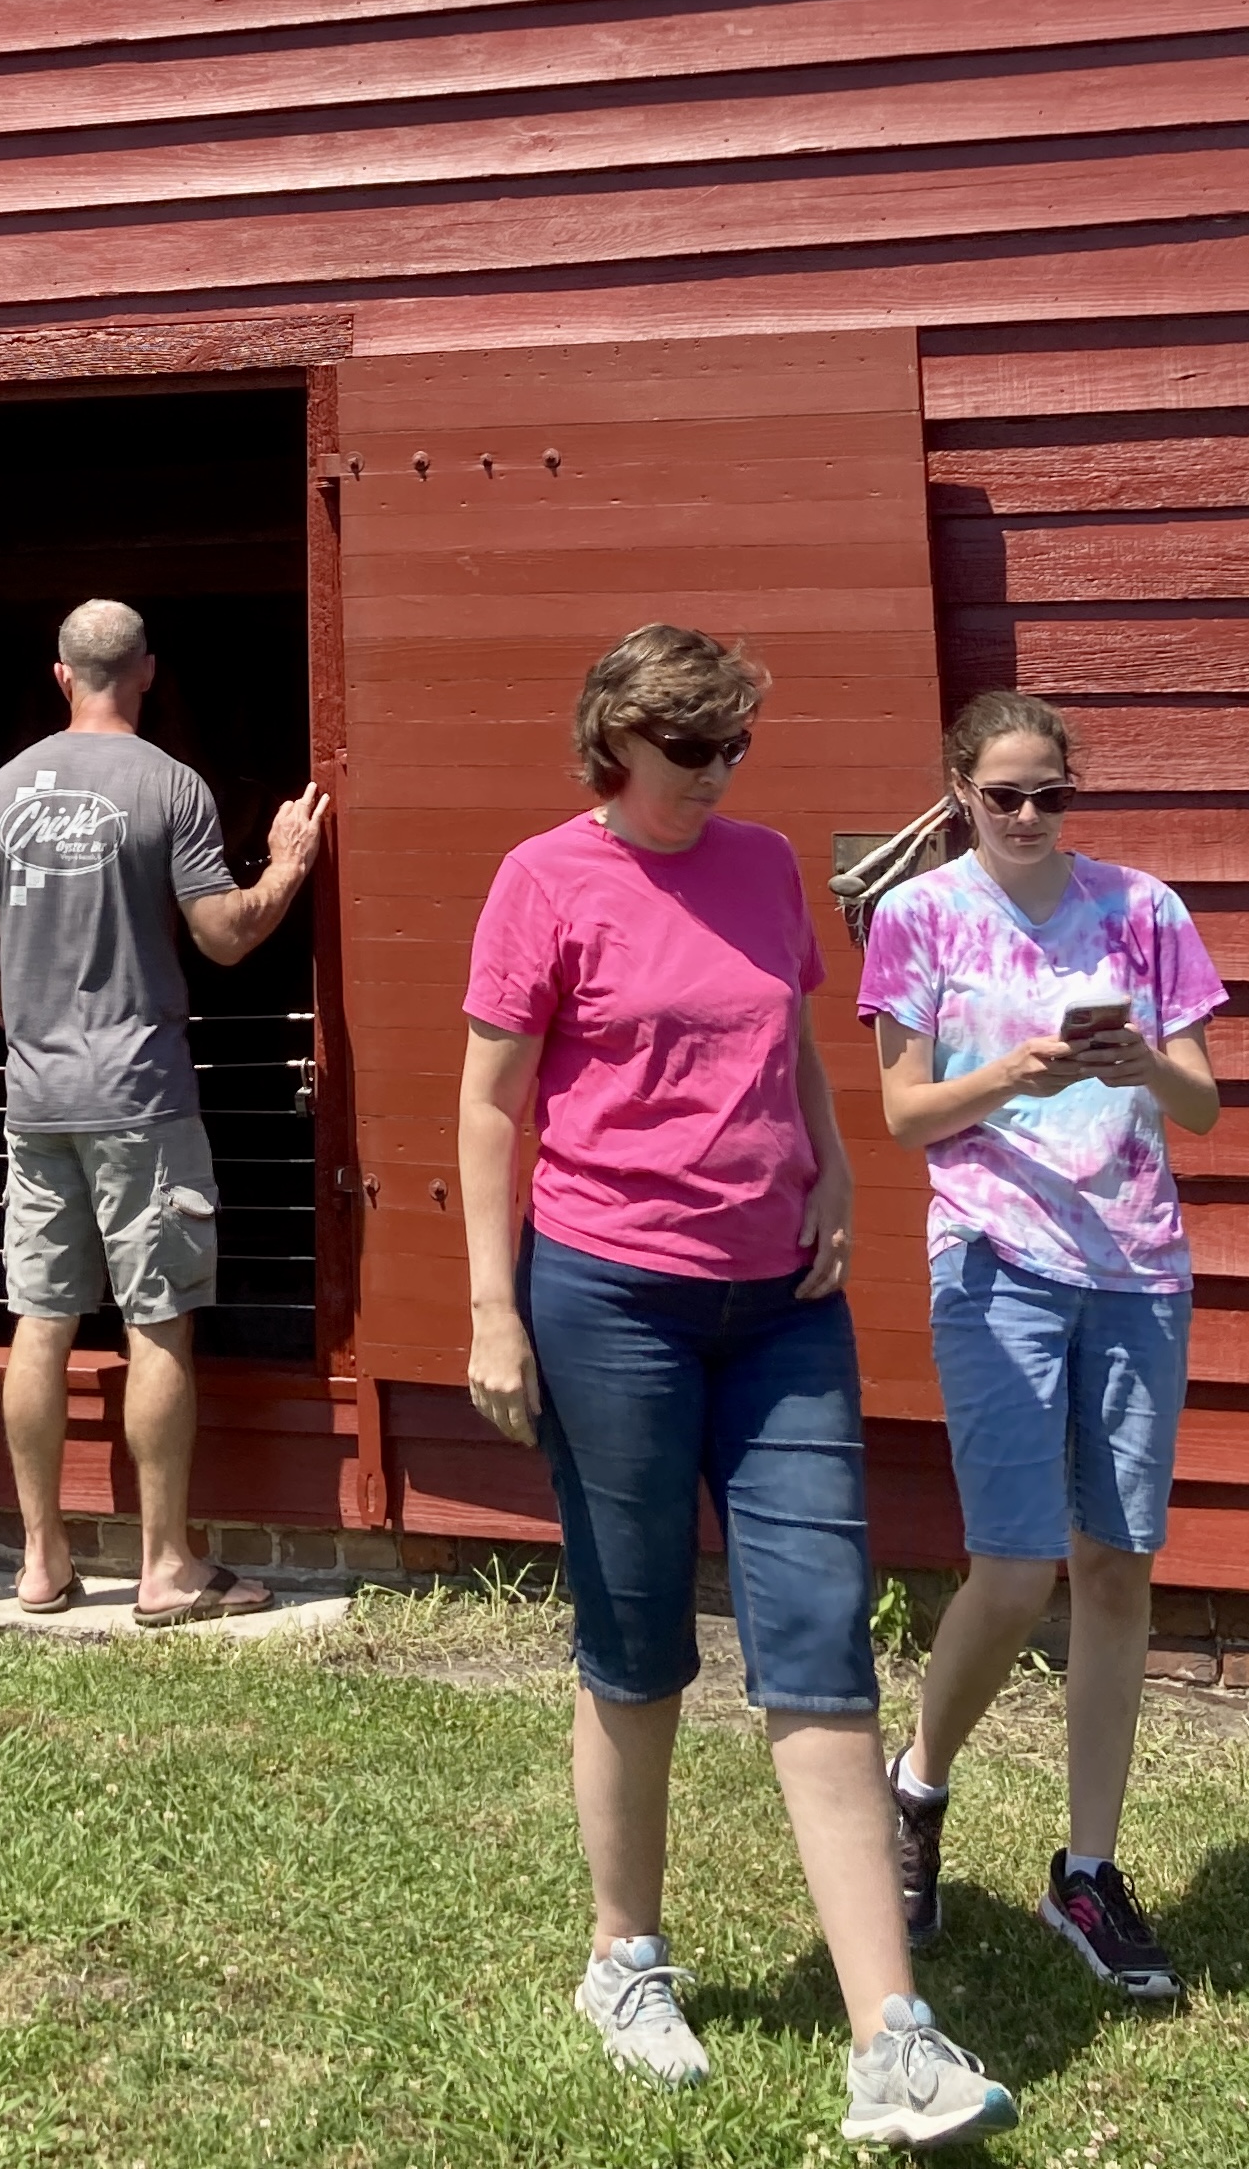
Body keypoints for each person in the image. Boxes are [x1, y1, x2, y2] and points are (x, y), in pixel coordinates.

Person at [460, 622, 1016, 2147]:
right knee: (634, 1636)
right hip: (607, 1293)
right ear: (616, 740)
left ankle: (892, 2036)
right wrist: (492, 1308)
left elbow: (790, 1047)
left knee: (820, 1633)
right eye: (691, 749)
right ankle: (623, 1955)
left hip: (782, 1302)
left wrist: (835, 1174)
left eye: (733, 749)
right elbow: (491, 1103)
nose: (716, 776)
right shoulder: (544, 879)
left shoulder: (768, 866)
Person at [862, 688, 1224, 2004]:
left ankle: (1088, 1869)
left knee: (1117, 1565)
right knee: (1013, 1569)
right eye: (1004, 793)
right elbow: (904, 1117)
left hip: (1136, 1266)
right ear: (960, 789)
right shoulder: (918, 917)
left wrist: (1137, 1061)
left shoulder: (1143, 909)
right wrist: (1009, 1077)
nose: (1028, 815)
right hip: (996, 1259)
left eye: (1050, 793)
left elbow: (1207, 1102)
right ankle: (918, 1784)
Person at [0, 597, 327, 1628]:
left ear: (60, 675)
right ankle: (163, 1566)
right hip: (141, 1096)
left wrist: (26, 1017)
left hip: (37, 1101)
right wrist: (288, 865)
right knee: (157, 1322)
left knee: (40, 1319)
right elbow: (223, 937)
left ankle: (39, 1560)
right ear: (147, 672)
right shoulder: (173, 784)